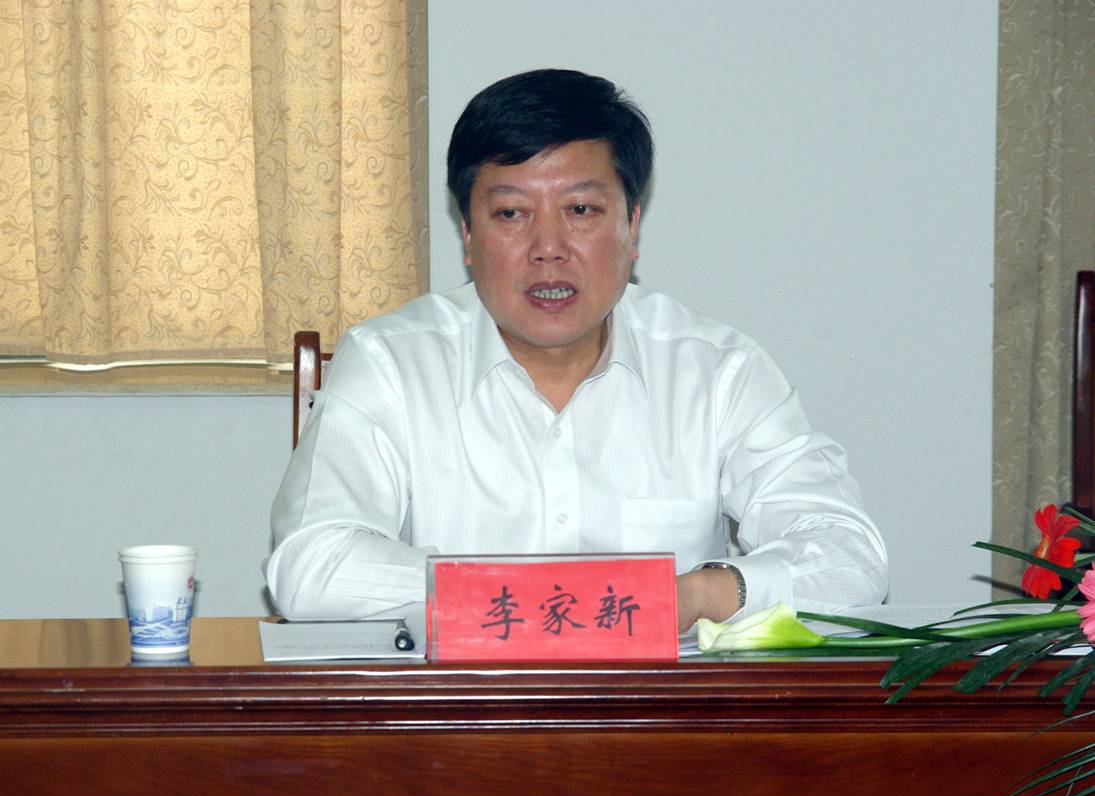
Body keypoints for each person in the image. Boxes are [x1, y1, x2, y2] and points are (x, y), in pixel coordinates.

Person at [266, 69, 887, 632]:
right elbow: (311, 567)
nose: (548, 247)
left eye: (581, 209)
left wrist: (698, 594)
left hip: (658, 713)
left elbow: (850, 556)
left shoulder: (717, 370)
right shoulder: (390, 363)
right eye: (512, 213)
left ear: (632, 225)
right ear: (468, 234)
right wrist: (549, 597)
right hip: (462, 711)